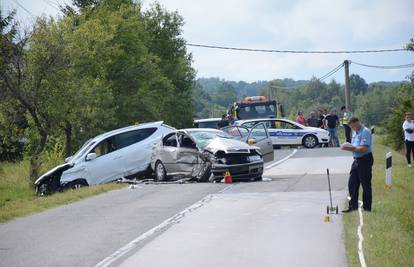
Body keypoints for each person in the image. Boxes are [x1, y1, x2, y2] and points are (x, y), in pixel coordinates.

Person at [341, 117, 373, 212]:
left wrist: (349, 148)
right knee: (352, 183)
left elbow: (364, 148)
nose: (352, 129)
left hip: (365, 159)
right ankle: (353, 206)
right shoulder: (355, 132)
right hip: (356, 160)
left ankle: (367, 208)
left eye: (353, 126)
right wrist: (348, 146)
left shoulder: (365, 132)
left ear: (357, 123)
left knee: (365, 184)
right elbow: (354, 145)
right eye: (351, 127)